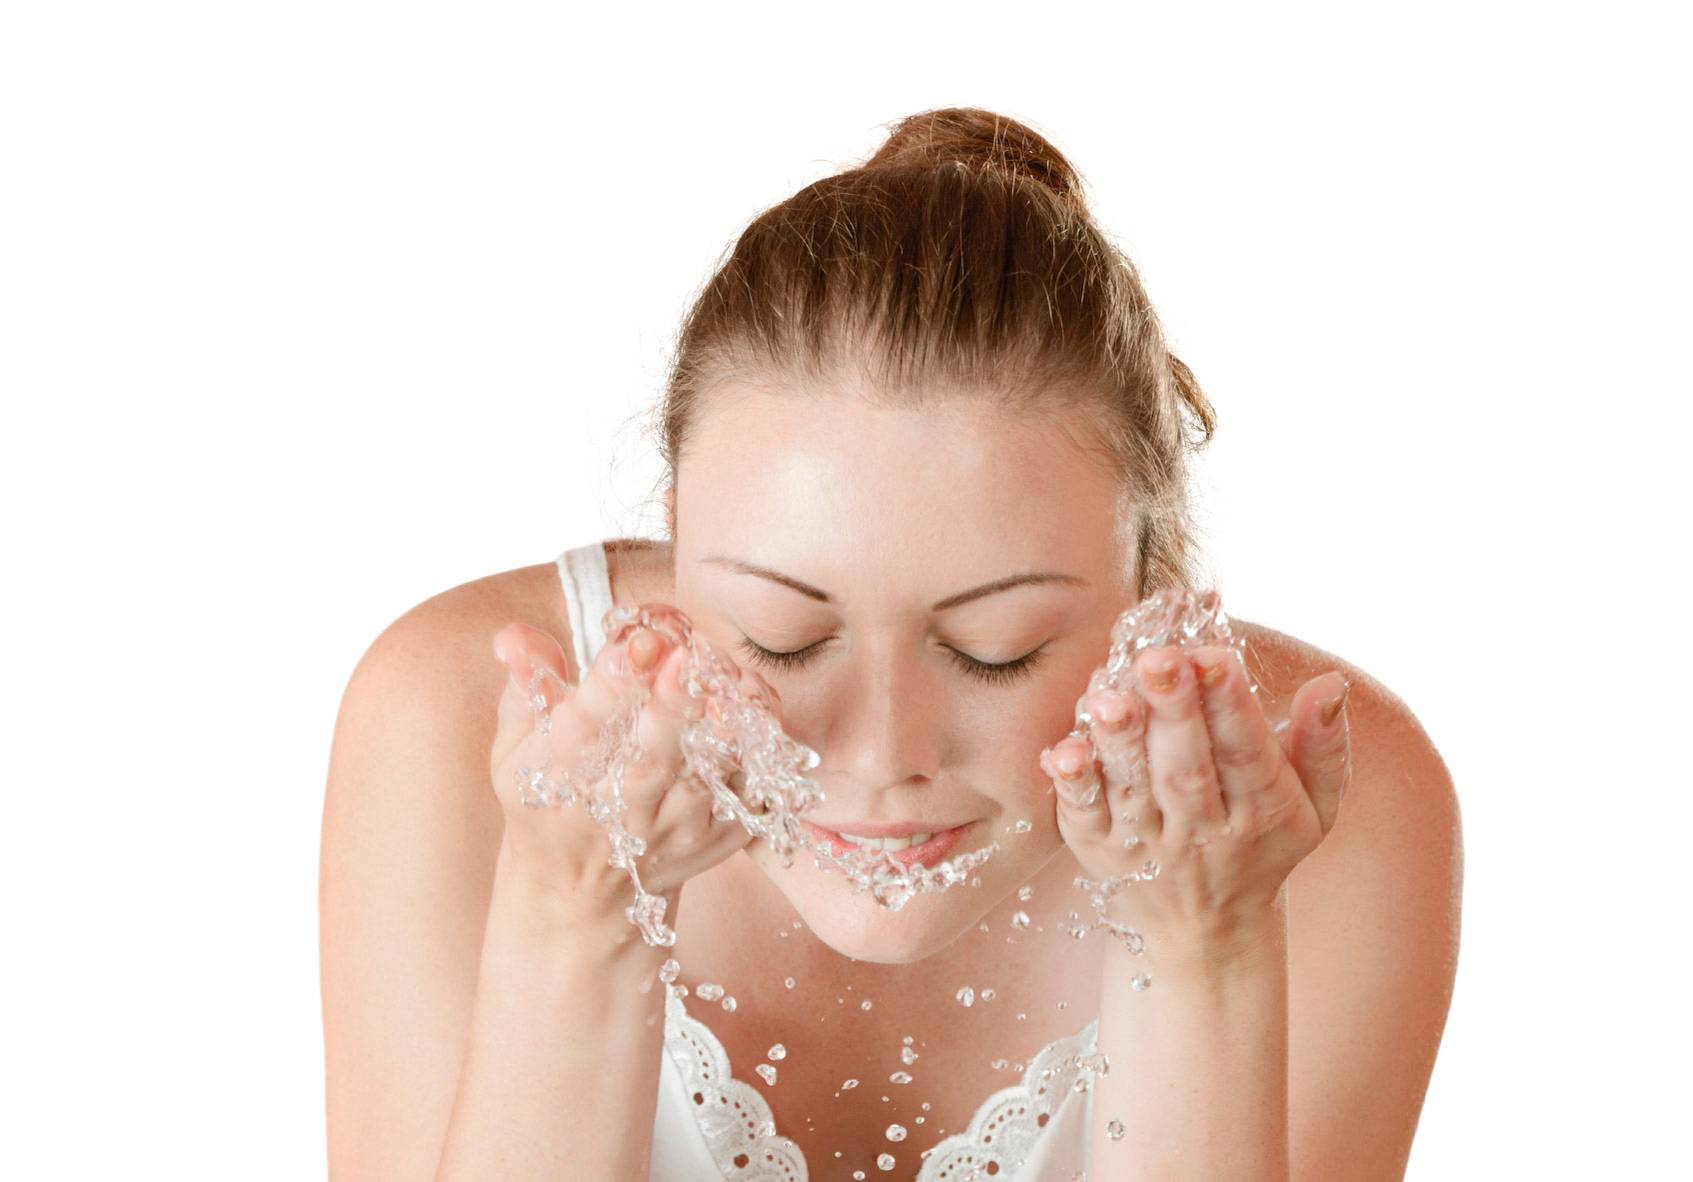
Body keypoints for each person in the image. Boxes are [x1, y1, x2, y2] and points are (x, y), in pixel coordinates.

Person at [319, 107, 1463, 1181]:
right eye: (779, 637)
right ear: (683, 539)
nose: (876, 753)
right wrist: (574, 909)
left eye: (991, 649)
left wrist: (1200, 945)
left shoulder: (1316, 816)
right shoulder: (456, 713)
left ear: (1149, 593)